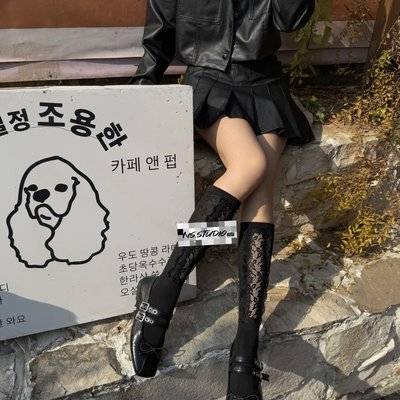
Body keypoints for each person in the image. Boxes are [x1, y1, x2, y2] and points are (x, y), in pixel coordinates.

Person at [129, 0, 316, 398]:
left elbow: (290, 18)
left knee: (261, 196)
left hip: (265, 87)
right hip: (210, 83)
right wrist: (141, 100)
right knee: (250, 164)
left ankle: (245, 346)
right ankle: (165, 288)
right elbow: (158, 38)